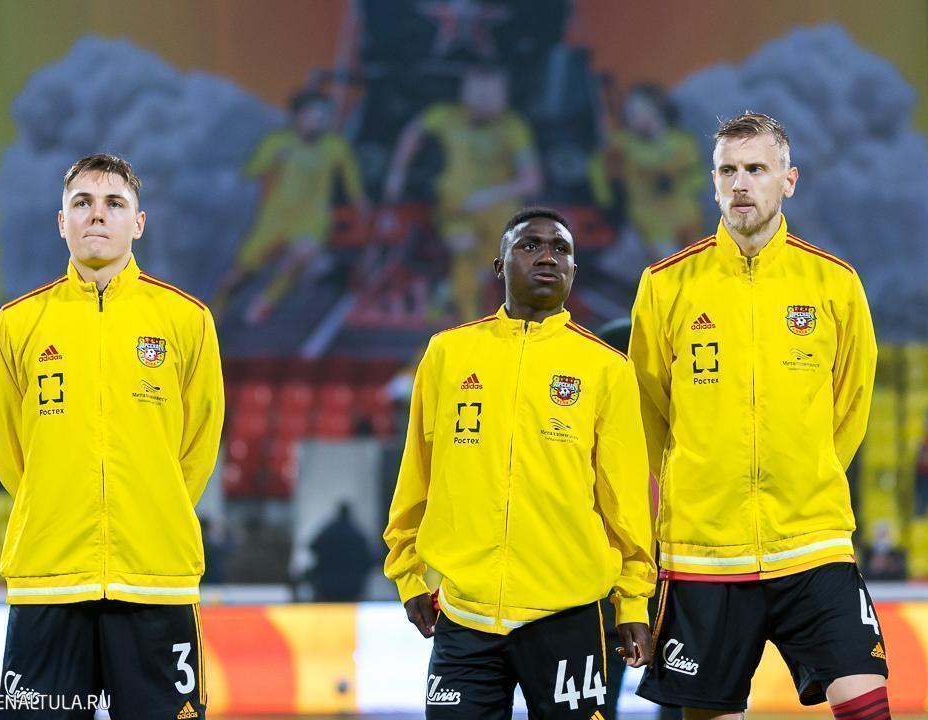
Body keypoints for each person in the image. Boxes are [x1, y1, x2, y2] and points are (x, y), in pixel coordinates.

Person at [630, 112, 889, 720]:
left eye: (756, 168)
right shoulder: (665, 285)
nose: (741, 183)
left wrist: (807, 472)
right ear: (712, 182)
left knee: (869, 705)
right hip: (703, 551)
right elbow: (647, 411)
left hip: (813, 542)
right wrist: (694, 486)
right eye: (728, 170)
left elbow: (851, 403)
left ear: (788, 180)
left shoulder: (835, 283)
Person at [383, 207, 654, 718]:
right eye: (530, 245)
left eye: (561, 249)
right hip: (464, 615)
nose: (547, 257)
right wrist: (407, 573)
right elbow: (417, 473)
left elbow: (625, 502)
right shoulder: (447, 354)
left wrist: (633, 600)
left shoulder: (607, 368)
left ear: (573, 270)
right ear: (499, 265)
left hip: (569, 612)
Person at [0, 154, 224, 718]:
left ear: (138, 223)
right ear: (61, 221)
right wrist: (57, 509)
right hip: (48, 579)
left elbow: (198, 446)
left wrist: (152, 511)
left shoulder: (187, 319)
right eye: (82, 203)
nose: (97, 215)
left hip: (156, 578)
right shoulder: (17, 323)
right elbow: (10, 452)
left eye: (114, 203)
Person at [382, 67, 542, 321]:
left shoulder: (513, 127)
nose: (484, 99)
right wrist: (397, 171)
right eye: (478, 91)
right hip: (455, 206)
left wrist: (488, 197)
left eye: (493, 92)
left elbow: (531, 181)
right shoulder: (445, 115)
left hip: (499, 213)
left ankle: (448, 297)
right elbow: (414, 132)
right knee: (464, 248)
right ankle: (462, 314)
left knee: (483, 266)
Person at [216, 90, 368, 323]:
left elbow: (351, 178)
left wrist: (359, 201)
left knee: (304, 253)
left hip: (312, 217)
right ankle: (217, 307)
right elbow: (251, 170)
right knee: (242, 272)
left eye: (323, 116)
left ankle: (267, 299)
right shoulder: (278, 142)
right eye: (312, 115)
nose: (318, 120)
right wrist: (262, 165)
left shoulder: (335, 146)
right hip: (274, 218)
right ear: (298, 116)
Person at [590, 84, 705, 266]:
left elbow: (696, 176)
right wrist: (606, 199)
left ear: (658, 108)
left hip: (686, 214)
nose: (640, 117)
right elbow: (598, 166)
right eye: (632, 114)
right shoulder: (622, 145)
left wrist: (682, 185)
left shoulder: (682, 142)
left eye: (644, 110)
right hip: (650, 220)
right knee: (670, 266)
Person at [307, 501, 374, 601]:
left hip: (327, 586)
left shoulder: (329, 530)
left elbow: (313, 546)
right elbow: (370, 559)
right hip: (352, 587)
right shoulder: (356, 533)